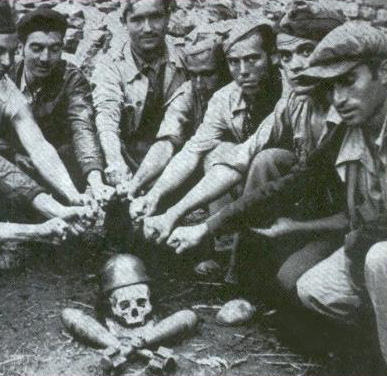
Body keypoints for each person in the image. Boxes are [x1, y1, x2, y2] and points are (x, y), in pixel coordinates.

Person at [164, 1, 347, 293]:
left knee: (294, 283)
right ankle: (242, 271)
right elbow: (245, 155)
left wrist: (294, 228)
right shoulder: (296, 102)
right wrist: (174, 213)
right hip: (318, 203)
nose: (296, 65)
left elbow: (361, 212)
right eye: (287, 55)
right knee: (266, 159)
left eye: (306, 51)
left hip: (353, 222)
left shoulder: (351, 110)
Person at [291, 22, 387, 371]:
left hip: (380, 249)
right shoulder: (352, 126)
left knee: (379, 259)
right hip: (373, 246)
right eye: (332, 87)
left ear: (384, 71)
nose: (339, 99)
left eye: (349, 81)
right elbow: (294, 179)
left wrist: (358, 244)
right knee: (316, 288)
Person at [140, 18, 281, 245]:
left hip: (291, 185)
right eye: (234, 62)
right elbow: (193, 149)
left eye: (252, 59)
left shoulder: (290, 93)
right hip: (247, 178)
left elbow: (244, 155)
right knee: (218, 151)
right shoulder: (224, 98)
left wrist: (174, 212)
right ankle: (226, 245)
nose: (243, 71)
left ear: (273, 56)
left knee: (264, 159)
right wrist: (154, 195)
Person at [0, 1, 96, 269]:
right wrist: (53, 212)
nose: (6, 62)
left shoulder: (4, 85)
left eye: (9, 53)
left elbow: (39, 145)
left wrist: (71, 196)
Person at [6, 8, 115, 208]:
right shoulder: (7, 79)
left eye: (54, 49)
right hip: (17, 163)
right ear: (21, 48)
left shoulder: (71, 78)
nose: (46, 58)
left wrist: (95, 179)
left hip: (60, 166)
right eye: (37, 48)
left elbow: (82, 126)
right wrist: (13, 155)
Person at [92, 0, 188, 189]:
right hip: (125, 154)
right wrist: (115, 162)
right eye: (137, 20)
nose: (148, 28)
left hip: (172, 152)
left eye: (155, 17)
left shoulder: (184, 56)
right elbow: (106, 116)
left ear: (168, 17)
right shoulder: (110, 64)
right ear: (124, 22)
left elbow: (177, 126)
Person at [128, 37, 229, 216]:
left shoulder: (236, 91)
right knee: (152, 184)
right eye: (193, 74)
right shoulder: (188, 92)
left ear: (224, 70)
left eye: (207, 74)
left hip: (232, 166)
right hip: (194, 160)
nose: (199, 83)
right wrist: (135, 184)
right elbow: (167, 141)